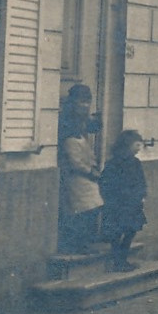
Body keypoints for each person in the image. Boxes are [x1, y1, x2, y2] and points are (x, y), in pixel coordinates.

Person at [57, 85, 104, 254]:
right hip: (73, 175)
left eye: (87, 101)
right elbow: (73, 160)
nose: (85, 105)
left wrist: (97, 119)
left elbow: (94, 127)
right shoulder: (68, 124)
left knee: (91, 206)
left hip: (85, 175)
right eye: (81, 101)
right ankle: (77, 244)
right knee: (80, 209)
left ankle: (84, 243)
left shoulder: (82, 122)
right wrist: (90, 171)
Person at [98, 130, 148, 272]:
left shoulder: (136, 163)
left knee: (131, 230)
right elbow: (105, 182)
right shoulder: (113, 163)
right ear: (128, 144)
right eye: (137, 145)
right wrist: (112, 198)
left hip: (133, 203)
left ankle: (122, 259)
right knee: (116, 232)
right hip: (118, 204)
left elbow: (141, 181)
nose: (139, 148)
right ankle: (118, 262)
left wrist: (142, 195)